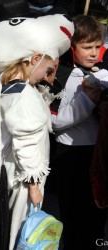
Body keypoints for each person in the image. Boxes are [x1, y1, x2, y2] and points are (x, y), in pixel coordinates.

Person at [0, 14, 74, 250]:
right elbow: (27, 139)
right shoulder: (22, 93)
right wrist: (34, 185)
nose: (48, 75)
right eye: (48, 68)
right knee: (23, 235)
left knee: (19, 233)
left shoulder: (16, 87)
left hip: (19, 173)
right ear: (35, 58)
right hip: (24, 178)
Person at [49, 15, 108, 249]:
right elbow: (53, 122)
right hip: (70, 156)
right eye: (86, 47)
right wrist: (87, 101)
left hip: (98, 154)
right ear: (72, 48)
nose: (93, 53)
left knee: (97, 217)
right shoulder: (60, 76)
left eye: (97, 46)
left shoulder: (103, 73)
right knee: (73, 219)